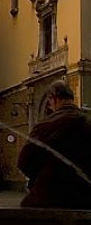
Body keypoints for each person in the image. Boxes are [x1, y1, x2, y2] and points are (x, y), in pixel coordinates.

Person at [18, 80, 91, 208]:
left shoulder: (45, 125)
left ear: (53, 98)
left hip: (49, 196)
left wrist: (43, 177)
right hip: (85, 198)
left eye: (50, 103)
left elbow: (24, 162)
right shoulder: (87, 123)